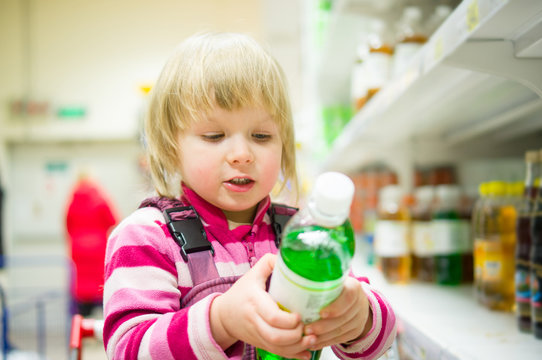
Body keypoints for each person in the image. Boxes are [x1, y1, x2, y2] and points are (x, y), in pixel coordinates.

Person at [103, 32, 396, 360]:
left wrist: (360, 316)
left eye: (261, 135)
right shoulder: (147, 238)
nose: (242, 154)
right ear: (171, 148)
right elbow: (128, 350)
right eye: (215, 136)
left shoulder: (302, 235)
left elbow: (381, 339)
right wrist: (222, 321)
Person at [66, 171, 119, 316]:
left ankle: (82, 326)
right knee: (101, 285)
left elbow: (68, 226)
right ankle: (104, 325)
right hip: (98, 248)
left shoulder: (72, 201)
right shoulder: (100, 199)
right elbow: (113, 220)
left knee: (82, 287)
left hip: (78, 250)